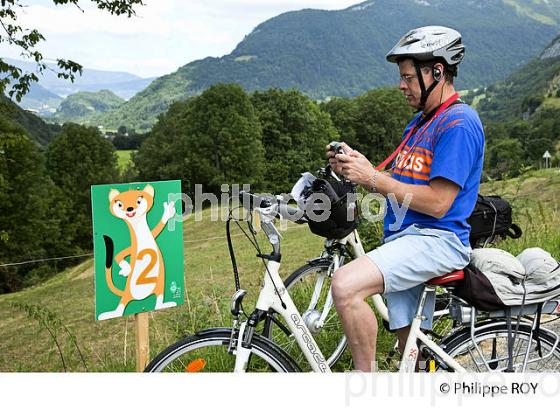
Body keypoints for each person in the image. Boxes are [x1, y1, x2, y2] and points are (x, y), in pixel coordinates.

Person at [327, 26, 485, 371]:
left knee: (345, 285)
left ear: (437, 72)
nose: (401, 85)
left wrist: (373, 177)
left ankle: (363, 387)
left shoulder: (458, 124)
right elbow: (397, 186)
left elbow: (438, 203)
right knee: (409, 359)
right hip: (406, 239)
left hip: (437, 240)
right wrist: (359, 167)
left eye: (409, 77)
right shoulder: (418, 125)